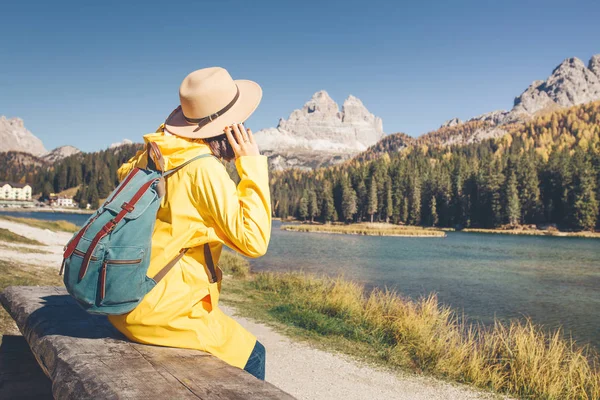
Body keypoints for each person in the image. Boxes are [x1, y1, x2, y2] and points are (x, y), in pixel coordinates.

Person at [107, 67, 271, 380]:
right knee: (254, 357)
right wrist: (250, 164)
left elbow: (124, 173)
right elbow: (254, 241)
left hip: (126, 298)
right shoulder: (203, 169)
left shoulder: (155, 153)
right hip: (162, 312)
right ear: (229, 128)